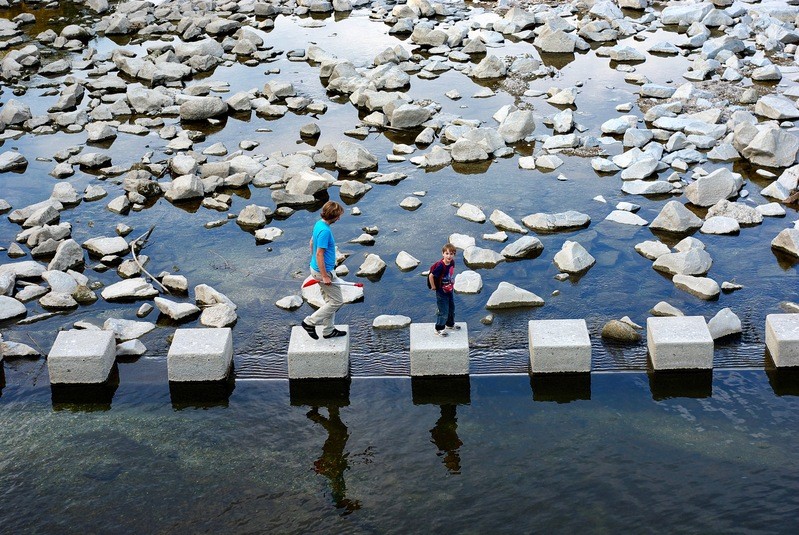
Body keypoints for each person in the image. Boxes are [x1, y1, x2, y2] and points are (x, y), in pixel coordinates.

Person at [302, 201, 347, 340]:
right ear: (332, 216)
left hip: (318, 269)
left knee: (330, 301)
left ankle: (328, 330)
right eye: (338, 216)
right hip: (324, 273)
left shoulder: (319, 224)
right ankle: (309, 322)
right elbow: (320, 253)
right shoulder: (325, 231)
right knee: (337, 302)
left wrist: (315, 261)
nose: (339, 219)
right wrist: (324, 276)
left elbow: (311, 242)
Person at [428, 243, 460, 337]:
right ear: (443, 254)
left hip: (449, 290)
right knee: (443, 311)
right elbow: (431, 276)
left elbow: (450, 274)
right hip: (441, 292)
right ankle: (439, 329)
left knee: (451, 308)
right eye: (447, 253)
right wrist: (433, 286)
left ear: (454, 254)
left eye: (451, 254)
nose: (449, 256)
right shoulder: (441, 266)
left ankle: (450, 324)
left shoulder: (452, 262)